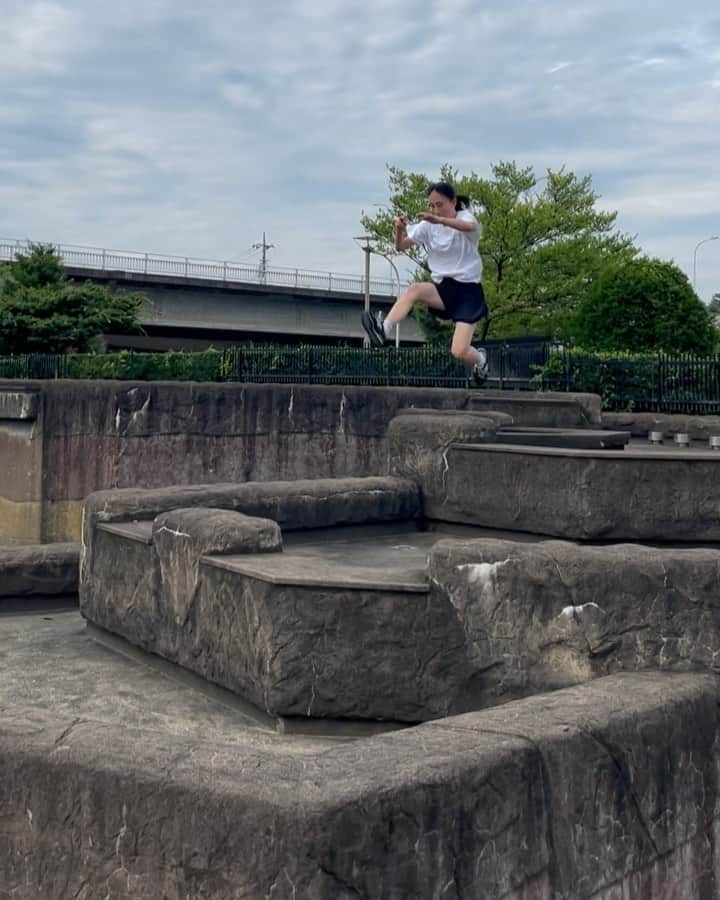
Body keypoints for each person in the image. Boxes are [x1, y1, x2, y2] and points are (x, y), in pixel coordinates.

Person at [361, 181, 489, 385]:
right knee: (415, 290)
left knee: (458, 351)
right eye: (432, 206)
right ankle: (383, 329)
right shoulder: (427, 226)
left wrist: (439, 220)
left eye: (440, 205)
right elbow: (401, 246)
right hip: (444, 290)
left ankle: (481, 361)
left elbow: (469, 227)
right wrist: (399, 230)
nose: (435, 210)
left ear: (453, 202)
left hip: (468, 293)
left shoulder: (464, 218)